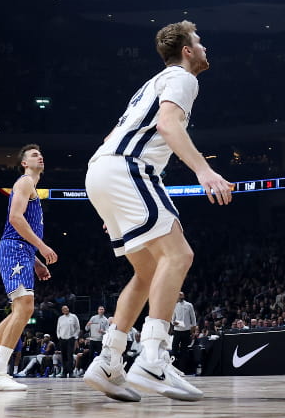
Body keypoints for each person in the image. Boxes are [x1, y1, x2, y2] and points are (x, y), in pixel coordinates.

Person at [82, 21, 235, 402]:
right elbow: (167, 125)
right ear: (186, 50)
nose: (203, 48)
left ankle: (108, 359)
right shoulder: (183, 79)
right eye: (199, 42)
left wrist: (112, 200)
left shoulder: (151, 84)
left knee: (147, 271)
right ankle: (152, 357)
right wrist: (205, 170)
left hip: (103, 169)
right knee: (179, 254)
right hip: (128, 168)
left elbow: (109, 138)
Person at [0, 144, 55, 392]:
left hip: (22, 251)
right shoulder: (24, 182)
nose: (40, 156)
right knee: (25, 307)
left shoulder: (31, 187)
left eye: (41, 153)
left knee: (18, 310)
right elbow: (15, 218)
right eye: (34, 154)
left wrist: (35, 260)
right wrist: (42, 247)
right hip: (15, 249)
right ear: (24, 163)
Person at [171, 293, 197, 375]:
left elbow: (193, 317)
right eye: (179, 295)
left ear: (184, 296)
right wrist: (173, 322)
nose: (180, 296)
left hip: (186, 331)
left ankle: (182, 370)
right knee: (174, 349)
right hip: (177, 330)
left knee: (184, 351)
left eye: (181, 295)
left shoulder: (189, 305)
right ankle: (174, 368)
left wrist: (193, 328)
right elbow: (172, 318)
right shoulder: (174, 305)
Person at [55, 305, 80, 378]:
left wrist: (74, 336)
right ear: (62, 311)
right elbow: (58, 329)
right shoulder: (60, 318)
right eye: (64, 309)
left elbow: (77, 328)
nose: (65, 310)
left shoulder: (73, 317)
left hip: (70, 338)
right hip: (62, 339)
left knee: (70, 356)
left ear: (68, 309)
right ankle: (64, 372)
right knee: (64, 356)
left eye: (66, 308)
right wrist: (59, 337)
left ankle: (71, 372)